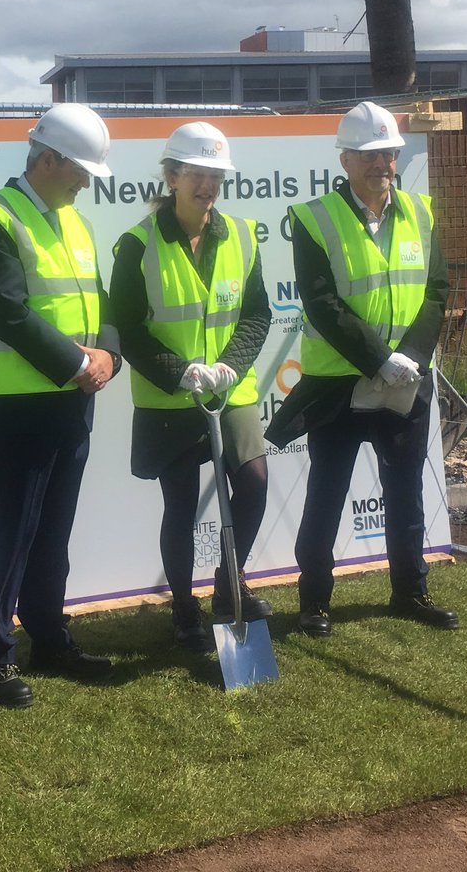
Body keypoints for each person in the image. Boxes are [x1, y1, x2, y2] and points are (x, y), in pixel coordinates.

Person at [0, 102, 121, 707]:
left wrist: (109, 357)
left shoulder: (74, 219)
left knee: (55, 532)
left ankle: (51, 638)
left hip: (73, 400)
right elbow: (10, 311)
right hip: (19, 404)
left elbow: (98, 302)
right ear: (47, 159)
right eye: (78, 170)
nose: (83, 183)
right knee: (16, 531)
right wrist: (80, 364)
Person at [266, 101, 457, 638]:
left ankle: (410, 592)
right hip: (341, 382)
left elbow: (438, 290)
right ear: (345, 159)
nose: (382, 164)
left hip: (408, 382)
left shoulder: (421, 211)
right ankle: (313, 603)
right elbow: (322, 303)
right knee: (327, 490)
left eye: (389, 153)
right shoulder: (313, 218)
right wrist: (378, 359)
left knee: (405, 490)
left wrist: (411, 359)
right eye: (370, 155)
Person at [111, 122, 272, 652]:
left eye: (216, 175)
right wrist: (178, 370)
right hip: (169, 397)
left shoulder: (243, 236)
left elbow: (256, 314)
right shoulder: (136, 245)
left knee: (252, 482)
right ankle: (184, 605)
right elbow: (128, 330)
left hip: (229, 390)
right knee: (180, 503)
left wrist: (230, 364)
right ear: (173, 176)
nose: (207, 185)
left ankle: (229, 583)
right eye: (197, 174)